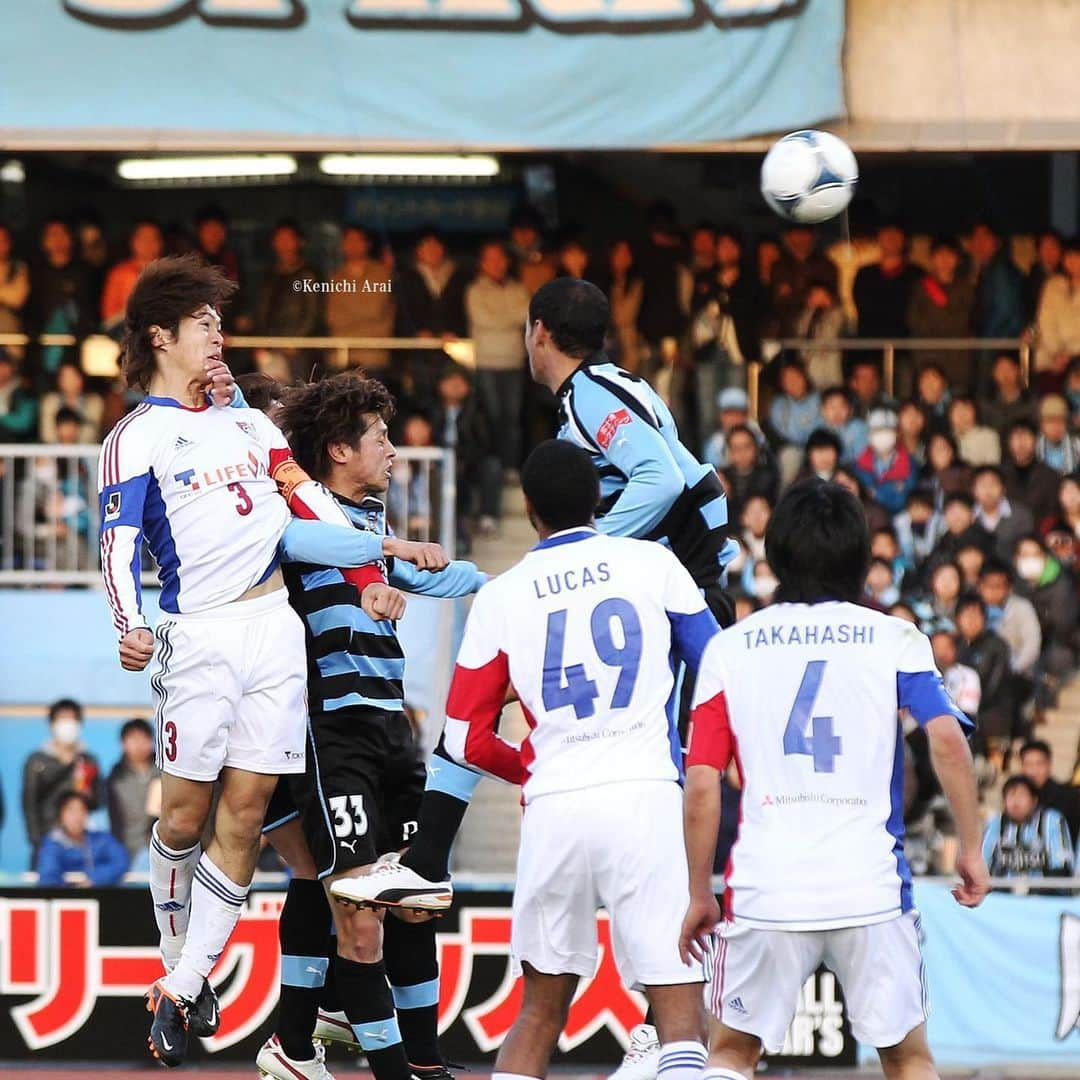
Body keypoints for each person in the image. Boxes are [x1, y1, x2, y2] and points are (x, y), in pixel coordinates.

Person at [97, 255, 423, 1066]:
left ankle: (185, 983)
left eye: (219, 320)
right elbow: (118, 540)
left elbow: (307, 499)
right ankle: (181, 967)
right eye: (204, 321)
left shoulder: (252, 425)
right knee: (182, 816)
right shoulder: (136, 435)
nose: (218, 333)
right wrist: (127, 623)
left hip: (273, 628)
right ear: (161, 335)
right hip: (198, 637)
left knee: (244, 816)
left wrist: (374, 561)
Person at [426, 438, 717, 1080]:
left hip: (555, 806)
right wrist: (707, 762)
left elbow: (463, 737)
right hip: (644, 794)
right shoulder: (652, 564)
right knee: (678, 1012)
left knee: (539, 1011)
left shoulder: (501, 596)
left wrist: (530, 765)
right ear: (600, 499)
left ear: (529, 509)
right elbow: (716, 668)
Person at [679, 479, 988, 1080]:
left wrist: (698, 892)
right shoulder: (896, 637)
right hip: (871, 886)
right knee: (907, 1059)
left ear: (775, 554)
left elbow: (701, 782)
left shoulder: (731, 648)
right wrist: (972, 848)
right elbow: (947, 738)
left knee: (731, 1055)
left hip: (766, 887)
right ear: (860, 556)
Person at [259, 373, 486, 1080]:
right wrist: (385, 559)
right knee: (358, 915)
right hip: (335, 737)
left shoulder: (371, 522)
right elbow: (316, 545)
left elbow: (443, 578)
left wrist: (498, 579)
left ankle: (425, 1063)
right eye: (380, 437)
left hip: (395, 734)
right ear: (337, 450)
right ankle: (321, 1045)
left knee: (415, 902)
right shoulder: (300, 525)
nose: (392, 448)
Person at [22, 698, 104, 865]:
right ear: (52, 724)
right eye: (62, 718)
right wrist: (37, 842)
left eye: (72, 719)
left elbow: (99, 801)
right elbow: (29, 804)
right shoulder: (36, 761)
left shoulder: (88, 760)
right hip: (48, 839)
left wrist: (88, 797)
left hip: (81, 843)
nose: (68, 724)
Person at [325, 224, 396, 373]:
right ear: (343, 245)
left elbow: (375, 309)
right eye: (349, 240)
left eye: (358, 240)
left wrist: (350, 313)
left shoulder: (382, 274)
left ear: (367, 244)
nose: (353, 245)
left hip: (375, 354)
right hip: (342, 355)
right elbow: (333, 317)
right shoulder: (336, 277)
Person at [982, 776, 1074, 880]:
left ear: (1034, 801)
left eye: (1021, 796)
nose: (1015, 802)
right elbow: (982, 864)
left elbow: (1062, 867)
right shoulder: (995, 823)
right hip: (1002, 893)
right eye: (1011, 796)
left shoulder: (1052, 820)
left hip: (1046, 893)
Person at [36, 791, 130, 887]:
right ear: (61, 815)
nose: (77, 816)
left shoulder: (101, 839)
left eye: (82, 810)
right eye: (71, 810)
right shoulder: (52, 844)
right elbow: (48, 877)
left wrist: (94, 879)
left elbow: (121, 861)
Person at [107, 717, 160, 866]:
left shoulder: (165, 771)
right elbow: (115, 820)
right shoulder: (116, 777)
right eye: (133, 739)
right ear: (123, 743)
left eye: (144, 738)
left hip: (163, 844)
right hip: (130, 849)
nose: (139, 744)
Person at [101, 220, 164, 333]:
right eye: (143, 238)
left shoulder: (169, 272)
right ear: (133, 242)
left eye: (153, 238)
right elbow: (109, 318)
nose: (148, 243)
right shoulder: (119, 273)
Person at [1018, 739, 1080, 843]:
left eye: (1039, 764)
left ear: (1049, 765)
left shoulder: (1070, 797)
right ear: (1022, 768)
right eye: (1028, 764)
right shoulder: (1016, 798)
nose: (1034, 771)